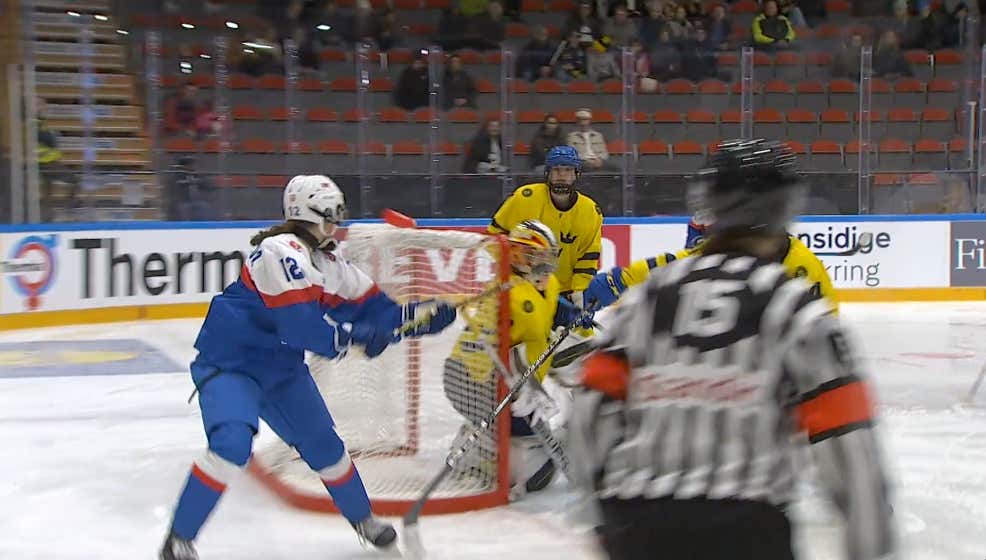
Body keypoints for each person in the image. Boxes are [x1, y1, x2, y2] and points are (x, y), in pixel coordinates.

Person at [568, 139, 896, 560]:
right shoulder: (794, 307)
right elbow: (849, 445)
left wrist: (606, 518)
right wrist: (869, 541)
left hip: (638, 525)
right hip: (746, 530)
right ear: (785, 207)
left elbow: (588, 416)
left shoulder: (649, 297)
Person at [159, 175, 457, 560]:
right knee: (230, 444)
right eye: (330, 215)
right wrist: (359, 334)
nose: (336, 224)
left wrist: (420, 315)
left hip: (280, 370)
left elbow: (379, 312)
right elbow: (302, 328)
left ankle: (364, 521)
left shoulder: (331, 265)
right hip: (231, 366)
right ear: (307, 214)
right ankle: (178, 540)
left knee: (325, 447)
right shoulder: (278, 250)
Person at [443, 220, 565, 497]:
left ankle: (487, 436)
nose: (543, 265)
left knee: (540, 464)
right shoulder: (507, 293)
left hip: (511, 380)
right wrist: (513, 391)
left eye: (547, 257)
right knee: (526, 464)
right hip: (473, 378)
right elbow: (496, 347)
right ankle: (473, 455)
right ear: (517, 255)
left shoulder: (548, 284)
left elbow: (554, 309)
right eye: (535, 256)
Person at [489, 146, 602, 307]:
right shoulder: (524, 198)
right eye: (556, 170)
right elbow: (494, 236)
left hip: (564, 294)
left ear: (577, 174)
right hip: (521, 288)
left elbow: (588, 258)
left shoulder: (590, 211)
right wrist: (516, 268)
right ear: (547, 173)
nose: (561, 175)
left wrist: (580, 291)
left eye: (567, 170)